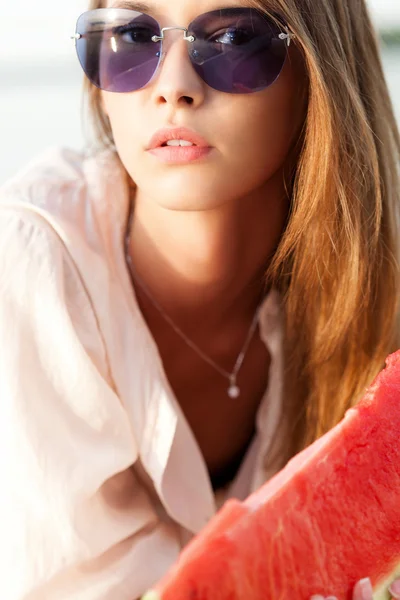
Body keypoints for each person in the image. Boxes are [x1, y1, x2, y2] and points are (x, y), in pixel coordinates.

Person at [1, 0, 399, 598]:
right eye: (135, 35)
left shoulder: (377, 284)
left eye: (234, 37)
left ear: (320, 72)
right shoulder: (28, 264)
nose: (174, 87)